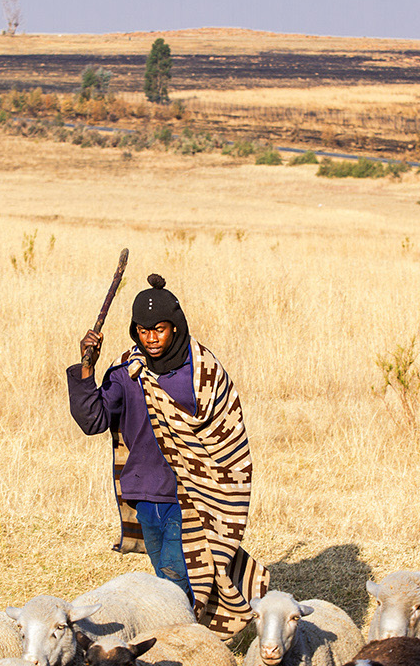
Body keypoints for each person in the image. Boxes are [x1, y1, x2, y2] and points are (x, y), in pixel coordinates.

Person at [66, 273, 269, 640]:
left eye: (159, 329)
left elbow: (226, 438)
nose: (151, 338)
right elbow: (93, 420)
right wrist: (86, 370)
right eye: (143, 331)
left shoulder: (202, 373)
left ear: (175, 327)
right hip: (145, 495)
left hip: (188, 498)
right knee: (166, 581)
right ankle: (192, 639)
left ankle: (184, 649)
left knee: (175, 583)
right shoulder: (128, 372)